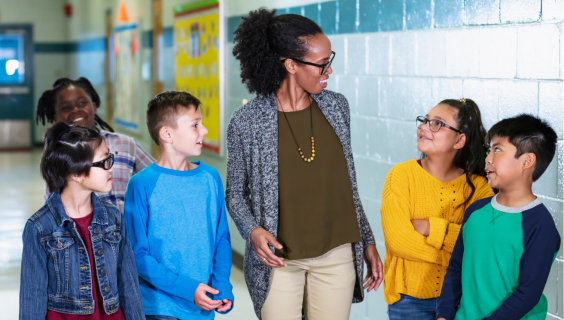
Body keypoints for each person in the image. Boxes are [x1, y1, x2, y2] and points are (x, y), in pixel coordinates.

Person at [227, 8, 383, 320]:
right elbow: (235, 193)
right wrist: (252, 230)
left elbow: (347, 186)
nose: (329, 71)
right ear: (291, 65)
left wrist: (367, 240)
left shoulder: (337, 108)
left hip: (337, 254)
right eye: (322, 64)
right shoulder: (247, 121)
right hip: (280, 260)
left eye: (330, 60)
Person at [437, 114, 561, 320]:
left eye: (497, 150)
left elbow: (528, 293)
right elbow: (456, 268)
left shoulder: (540, 225)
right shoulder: (476, 210)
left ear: (527, 161)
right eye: (489, 150)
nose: (488, 158)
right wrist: (444, 314)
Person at [380, 98, 494, 320]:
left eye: (437, 123)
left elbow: (480, 243)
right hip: (409, 300)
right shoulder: (401, 175)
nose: (424, 127)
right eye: (425, 120)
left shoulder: (479, 188)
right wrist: (457, 254)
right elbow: (399, 241)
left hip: (461, 299)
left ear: (460, 140)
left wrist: (432, 227)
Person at [124, 92, 234, 320]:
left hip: (203, 307)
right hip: (160, 309)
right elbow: (138, 254)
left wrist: (222, 287)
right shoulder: (142, 184)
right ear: (167, 134)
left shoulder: (210, 178)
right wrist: (188, 289)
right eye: (195, 124)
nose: (204, 130)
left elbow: (221, 240)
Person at [19, 123, 144, 320]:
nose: (111, 168)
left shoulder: (114, 218)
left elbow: (129, 284)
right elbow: (32, 297)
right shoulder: (40, 227)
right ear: (76, 173)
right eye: (104, 162)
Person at [37, 77, 154, 212]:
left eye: (82, 103)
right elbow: (52, 206)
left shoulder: (124, 144)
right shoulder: (58, 155)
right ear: (57, 118)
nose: (75, 110)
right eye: (66, 108)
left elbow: (159, 180)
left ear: (94, 107)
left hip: (126, 231)